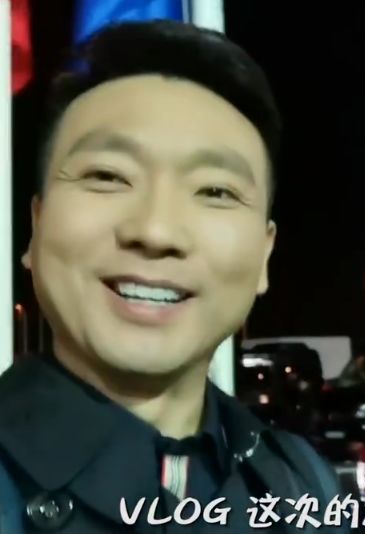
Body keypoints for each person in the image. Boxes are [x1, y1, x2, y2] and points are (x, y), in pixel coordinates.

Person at [0, 21, 346, 533]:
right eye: (107, 176)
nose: (156, 230)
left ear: (264, 255)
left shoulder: (302, 485)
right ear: (36, 225)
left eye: (215, 192)